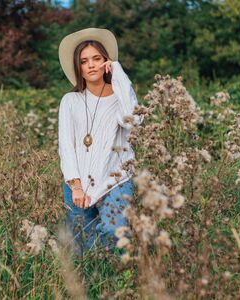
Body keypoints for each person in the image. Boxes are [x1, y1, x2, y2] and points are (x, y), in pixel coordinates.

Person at [58, 28, 144, 256]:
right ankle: (88, 288)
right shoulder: (70, 101)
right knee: (80, 247)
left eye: (97, 59)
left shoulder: (120, 97)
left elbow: (133, 121)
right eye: (84, 61)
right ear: (79, 68)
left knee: (115, 234)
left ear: (106, 61)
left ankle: (115, 286)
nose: (91, 65)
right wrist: (76, 186)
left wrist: (118, 73)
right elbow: (66, 145)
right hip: (78, 183)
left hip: (117, 179)